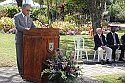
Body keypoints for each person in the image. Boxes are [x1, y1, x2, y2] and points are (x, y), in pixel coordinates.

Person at [14, 3, 36, 77]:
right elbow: (18, 27)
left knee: (27, 55)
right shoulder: (17, 16)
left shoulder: (29, 18)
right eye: (27, 10)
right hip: (20, 40)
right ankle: (21, 72)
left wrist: (41, 30)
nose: (28, 12)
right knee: (20, 56)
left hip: (29, 41)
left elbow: (33, 27)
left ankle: (27, 70)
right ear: (22, 9)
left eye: (29, 10)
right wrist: (26, 29)